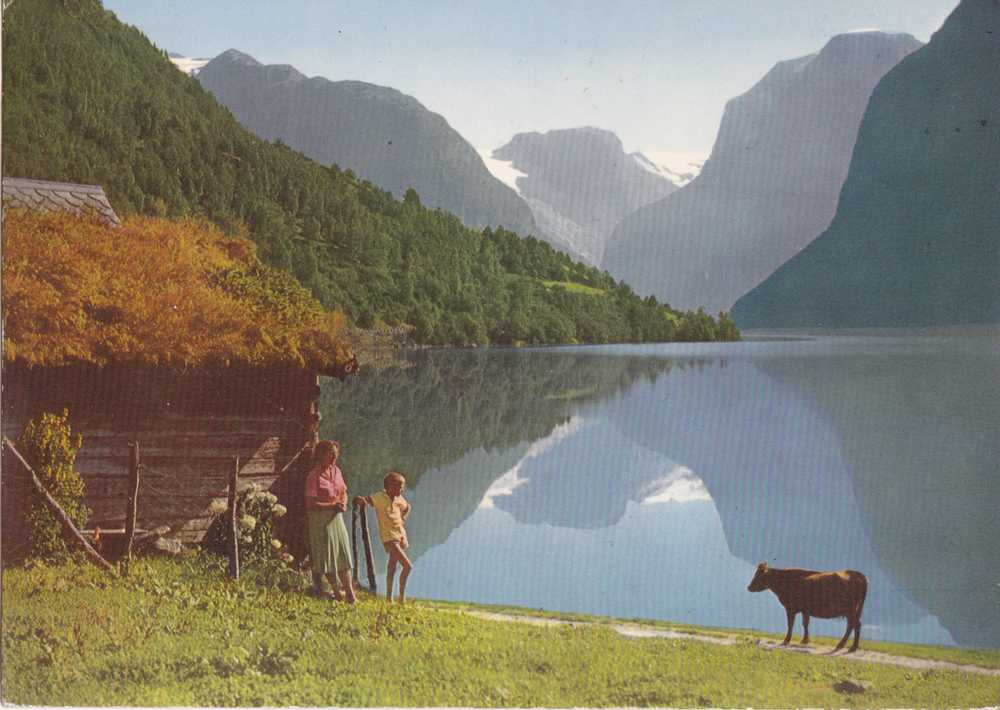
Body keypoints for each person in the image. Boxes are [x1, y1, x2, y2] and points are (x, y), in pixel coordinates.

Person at [303, 439, 356, 603]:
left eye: (336, 454)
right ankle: (337, 592)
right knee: (327, 557)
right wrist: (333, 505)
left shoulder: (336, 471)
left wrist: (343, 502)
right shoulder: (313, 476)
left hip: (336, 518)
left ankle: (350, 594)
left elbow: (344, 491)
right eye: (330, 454)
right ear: (320, 455)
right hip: (320, 520)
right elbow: (310, 504)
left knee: (342, 555)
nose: (334, 457)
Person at [354, 471, 412, 604]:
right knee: (407, 566)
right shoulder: (379, 497)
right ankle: (402, 597)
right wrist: (360, 500)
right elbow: (367, 501)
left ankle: (389, 598)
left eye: (402, 487)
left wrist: (403, 518)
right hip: (389, 537)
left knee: (392, 567)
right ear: (389, 486)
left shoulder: (399, 499)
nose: (401, 490)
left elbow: (408, 507)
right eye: (399, 487)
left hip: (400, 535)